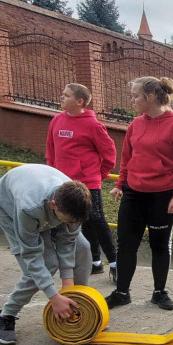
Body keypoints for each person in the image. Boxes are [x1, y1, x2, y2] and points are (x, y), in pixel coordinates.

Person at [105, 76, 173, 312]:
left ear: (151, 97)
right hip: (134, 195)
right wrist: (120, 184)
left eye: (136, 96)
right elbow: (127, 159)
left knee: (159, 245)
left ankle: (159, 292)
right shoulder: (135, 125)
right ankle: (122, 292)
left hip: (163, 197)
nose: (132, 100)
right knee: (126, 245)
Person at [0, 164, 93, 345]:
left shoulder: (74, 202)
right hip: (8, 205)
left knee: (83, 248)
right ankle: (3, 318)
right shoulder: (29, 207)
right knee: (46, 263)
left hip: (44, 204)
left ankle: (78, 305)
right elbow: (32, 255)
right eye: (67, 221)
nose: (71, 225)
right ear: (53, 206)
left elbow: (68, 242)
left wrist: (68, 284)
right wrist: (53, 297)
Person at [46, 83, 118, 278]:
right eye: (62, 94)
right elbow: (51, 151)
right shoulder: (56, 121)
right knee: (72, 221)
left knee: (95, 218)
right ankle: (94, 262)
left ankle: (114, 262)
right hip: (62, 182)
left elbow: (109, 153)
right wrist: (53, 174)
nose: (61, 97)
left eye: (66, 95)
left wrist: (99, 175)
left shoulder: (93, 125)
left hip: (88, 182)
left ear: (79, 101)